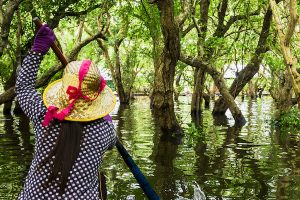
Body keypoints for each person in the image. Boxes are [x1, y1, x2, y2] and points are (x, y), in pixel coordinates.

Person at [16, 24, 117, 199]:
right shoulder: (105, 130)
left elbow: (23, 88)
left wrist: (38, 50)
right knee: (99, 183)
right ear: (96, 99)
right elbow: (112, 142)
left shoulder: (44, 116)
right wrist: (105, 119)